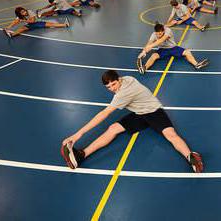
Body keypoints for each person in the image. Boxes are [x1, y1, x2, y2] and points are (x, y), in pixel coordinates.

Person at [60, 70, 204, 173]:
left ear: (119, 79)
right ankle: (81, 155)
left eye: (114, 85)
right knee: (113, 128)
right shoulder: (127, 79)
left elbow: (103, 114)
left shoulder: (123, 94)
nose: (112, 89)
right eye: (108, 87)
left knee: (171, 135)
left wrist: (77, 135)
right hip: (139, 113)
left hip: (154, 111)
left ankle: (191, 157)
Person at [136, 23, 210, 74]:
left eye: (160, 33)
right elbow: (149, 42)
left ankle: (197, 64)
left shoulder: (168, 31)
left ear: (163, 31)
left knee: (187, 52)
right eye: (157, 33)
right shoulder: (154, 34)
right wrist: (144, 51)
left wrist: (150, 47)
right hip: (162, 49)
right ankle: (144, 68)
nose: (158, 35)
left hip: (173, 48)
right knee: (154, 55)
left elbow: (161, 40)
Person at [3, 7, 69, 38]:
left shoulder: (30, 12)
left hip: (37, 23)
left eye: (24, 11)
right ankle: (12, 35)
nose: (24, 12)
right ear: (19, 14)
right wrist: (8, 27)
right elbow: (15, 21)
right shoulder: (19, 17)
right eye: (22, 12)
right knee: (21, 29)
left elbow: (33, 21)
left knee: (51, 24)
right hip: (30, 25)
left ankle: (65, 24)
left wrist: (23, 20)